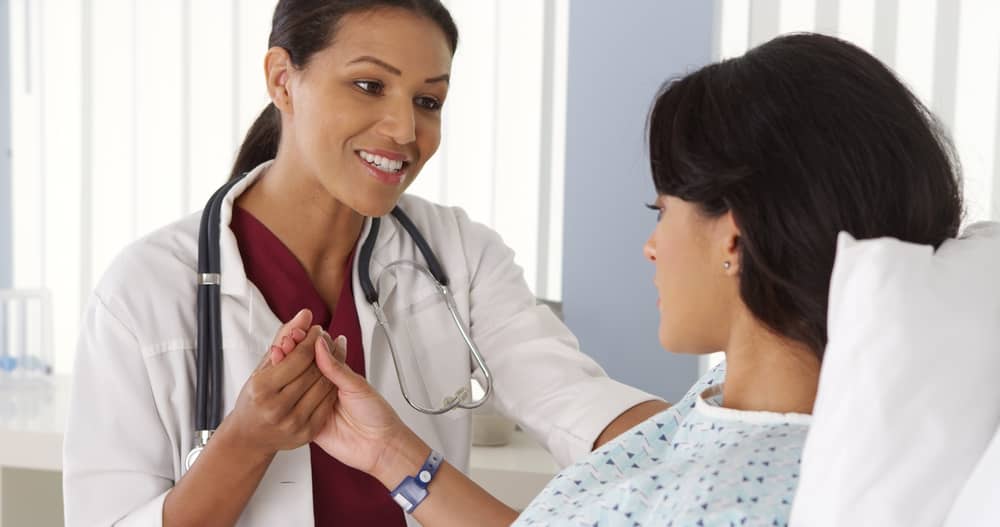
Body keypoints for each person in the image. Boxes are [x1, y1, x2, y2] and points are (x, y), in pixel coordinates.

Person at [294, 32, 966, 526]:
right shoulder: (726, 404)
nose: (650, 246)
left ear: (732, 233)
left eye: (662, 209)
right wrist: (389, 452)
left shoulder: (744, 492)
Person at [61, 1, 667, 525]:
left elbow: (578, 403)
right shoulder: (143, 292)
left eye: (428, 100)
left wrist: (714, 441)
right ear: (282, 79)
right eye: (369, 86)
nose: (405, 129)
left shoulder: (459, 255)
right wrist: (244, 442)